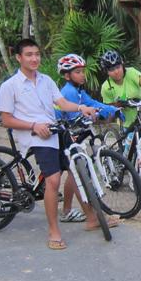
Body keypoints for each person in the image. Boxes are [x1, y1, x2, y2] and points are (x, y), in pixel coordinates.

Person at [0, 39, 117, 250]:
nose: (34, 58)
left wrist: (80, 108)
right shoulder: (10, 86)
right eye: (29, 55)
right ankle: (54, 231)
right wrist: (34, 126)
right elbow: (6, 120)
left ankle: (91, 218)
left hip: (54, 131)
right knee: (53, 180)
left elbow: (61, 103)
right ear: (18, 58)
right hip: (34, 136)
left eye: (37, 54)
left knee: (77, 169)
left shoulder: (46, 81)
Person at [55, 54, 119, 224]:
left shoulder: (79, 91)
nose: (82, 75)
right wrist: (94, 114)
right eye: (78, 72)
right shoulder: (68, 92)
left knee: (73, 173)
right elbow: (75, 117)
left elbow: (92, 103)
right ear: (67, 76)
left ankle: (67, 211)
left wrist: (111, 109)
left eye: (83, 71)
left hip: (68, 136)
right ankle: (92, 217)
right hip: (61, 137)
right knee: (78, 173)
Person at [99, 50, 141, 134]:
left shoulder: (131, 73)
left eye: (118, 67)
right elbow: (108, 107)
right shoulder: (106, 87)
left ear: (122, 65)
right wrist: (119, 104)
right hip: (126, 122)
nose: (116, 71)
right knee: (130, 142)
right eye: (111, 69)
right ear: (106, 71)